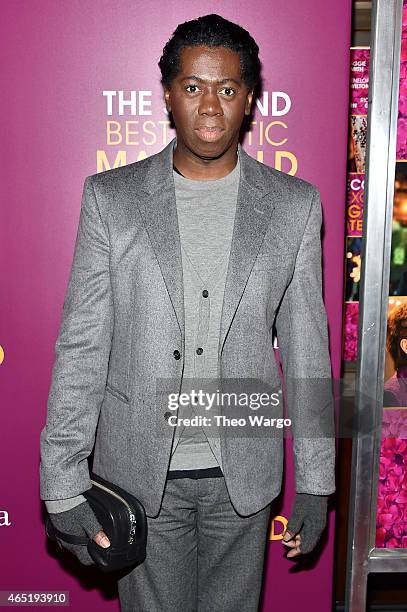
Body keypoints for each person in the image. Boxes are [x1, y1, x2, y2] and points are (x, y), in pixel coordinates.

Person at [40, 13, 336, 612]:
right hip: (139, 476)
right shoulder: (111, 200)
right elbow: (83, 347)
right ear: (169, 94)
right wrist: (62, 479)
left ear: (249, 100)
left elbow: (308, 347)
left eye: (227, 89)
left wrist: (316, 479)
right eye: (193, 86)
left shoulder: (294, 206)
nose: (209, 106)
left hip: (242, 481)